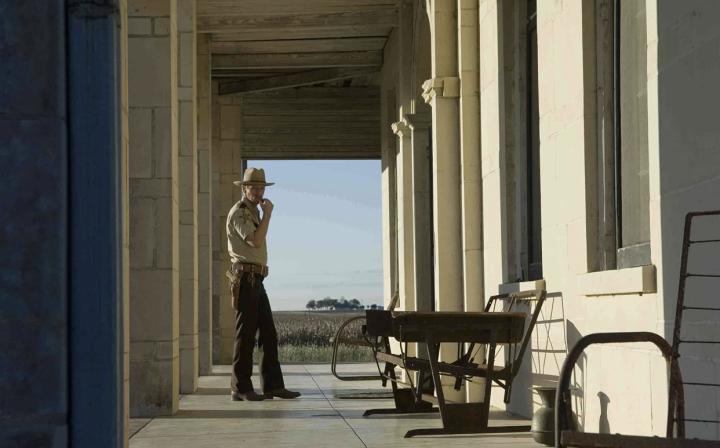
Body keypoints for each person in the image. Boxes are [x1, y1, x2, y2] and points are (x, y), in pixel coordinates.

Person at [226, 167, 301, 401]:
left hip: (257, 279)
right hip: (246, 278)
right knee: (245, 334)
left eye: (261, 188)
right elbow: (255, 242)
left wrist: (263, 214)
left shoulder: (253, 212)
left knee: (269, 333)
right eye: (254, 188)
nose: (259, 192)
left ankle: (273, 386)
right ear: (244, 189)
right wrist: (268, 215)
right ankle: (240, 387)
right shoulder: (240, 213)